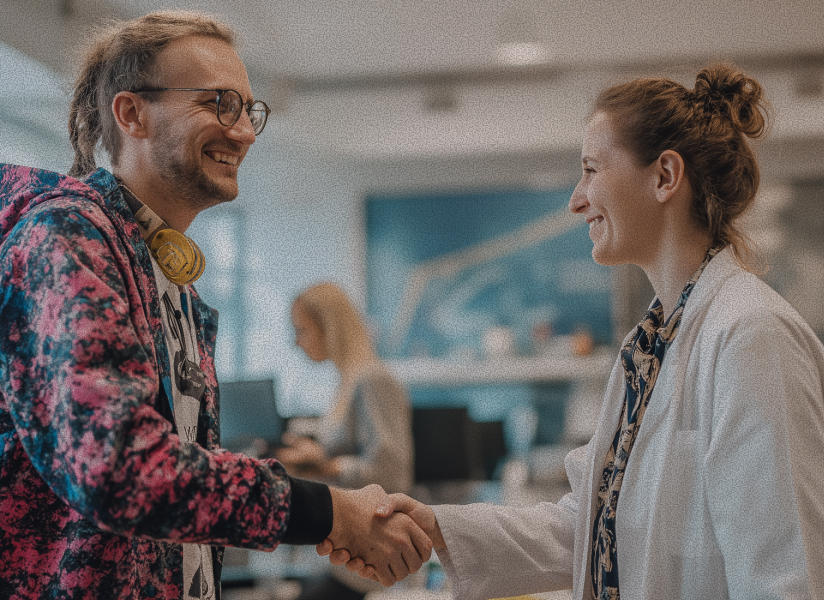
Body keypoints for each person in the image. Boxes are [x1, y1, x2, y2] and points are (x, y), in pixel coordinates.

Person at [0, 10, 431, 600]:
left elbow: (177, 490)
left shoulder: (169, 277)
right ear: (131, 114)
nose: (245, 131)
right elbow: (118, 466)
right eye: (219, 103)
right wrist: (326, 511)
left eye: (249, 110)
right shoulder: (63, 240)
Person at [321, 63, 824, 599]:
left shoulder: (750, 334)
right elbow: (585, 527)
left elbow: (783, 573)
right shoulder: (653, 344)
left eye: (591, 169)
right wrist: (436, 527)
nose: (576, 199)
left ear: (664, 177)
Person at [277, 282, 414, 600]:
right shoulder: (347, 382)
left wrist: (325, 464)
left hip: (368, 566)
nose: (297, 342)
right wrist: (312, 459)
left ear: (330, 327)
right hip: (346, 559)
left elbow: (392, 473)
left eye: (302, 330)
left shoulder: (372, 379)